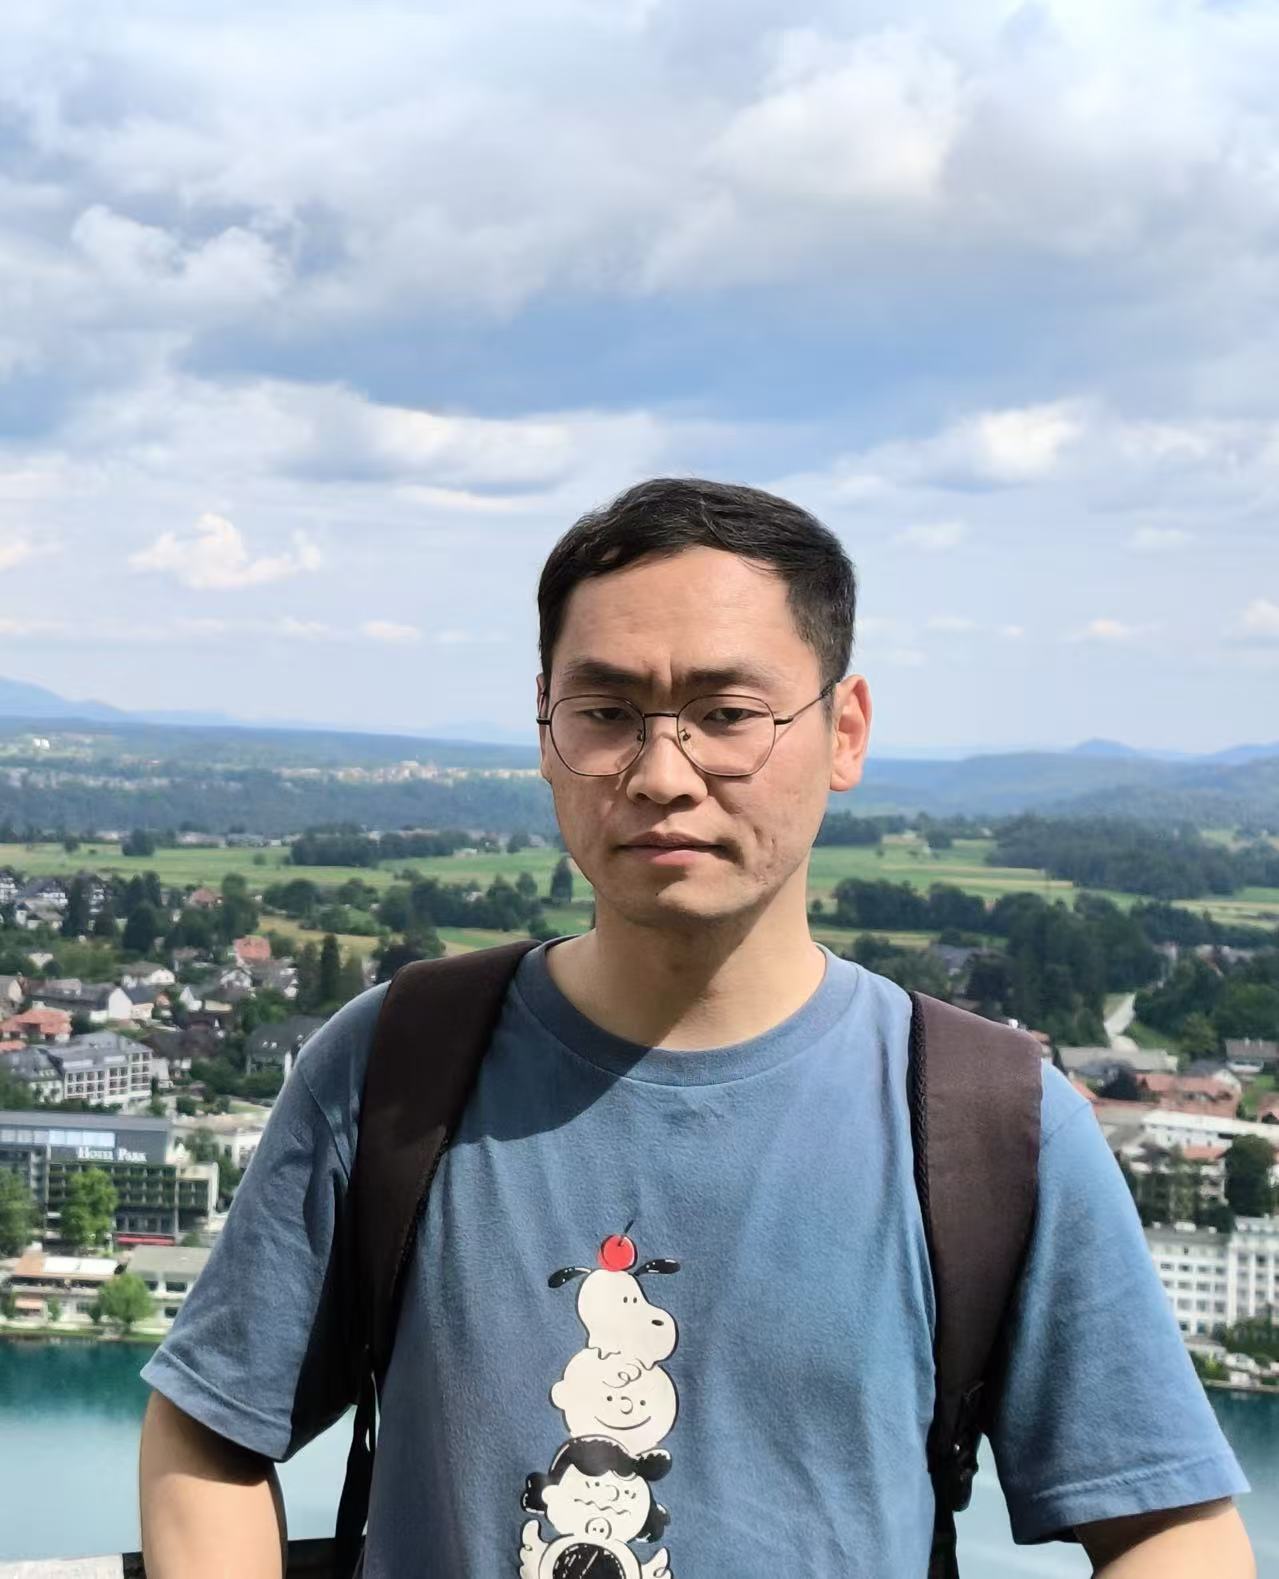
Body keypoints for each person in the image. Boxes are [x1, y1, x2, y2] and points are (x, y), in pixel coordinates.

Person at [137, 478, 1254, 1577]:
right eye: (606, 713)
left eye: (726, 715)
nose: (662, 775)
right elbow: (209, 1432)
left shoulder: (988, 1123)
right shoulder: (394, 1067)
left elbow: (1169, 1530)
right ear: (545, 729)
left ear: (844, 732)